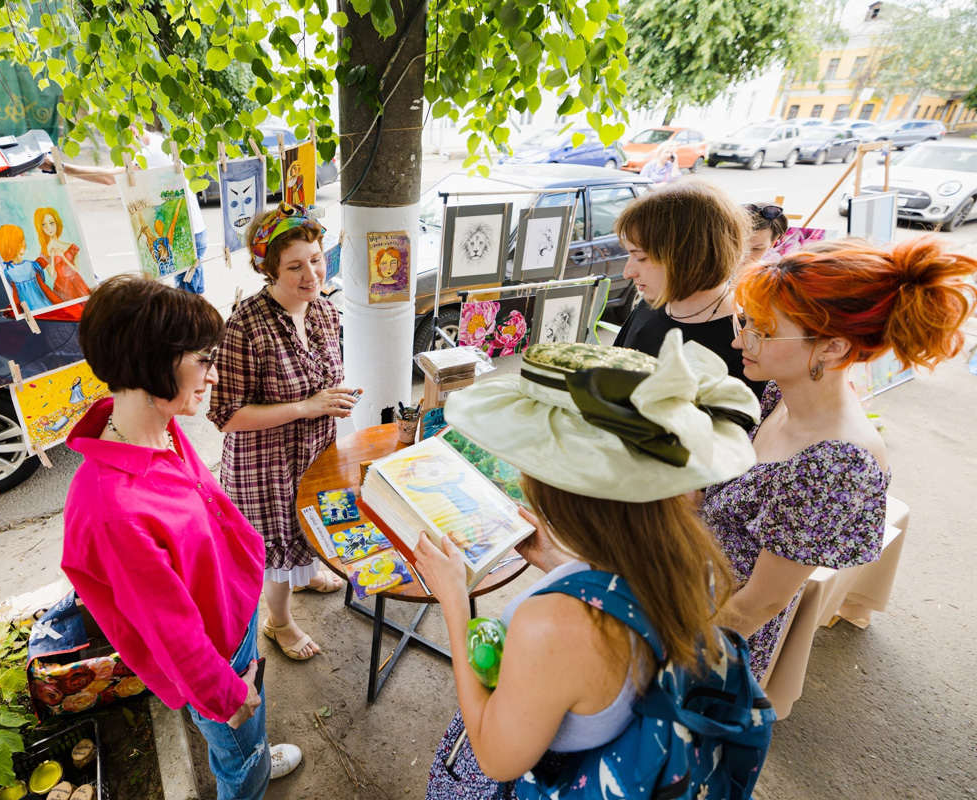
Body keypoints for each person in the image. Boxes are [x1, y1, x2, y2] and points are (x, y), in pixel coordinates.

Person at [414, 332, 762, 797]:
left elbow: (496, 759)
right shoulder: (687, 560)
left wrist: (455, 603)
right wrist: (561, 563)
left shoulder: (552, 627)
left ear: (567, 490)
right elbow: (625, 602)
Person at [61, 276, 303, 799]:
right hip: (214, 658)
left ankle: (252, 750)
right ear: (155, 363)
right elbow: (168, 628)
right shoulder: (114, 510)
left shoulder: (159, 429)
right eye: (203, 360)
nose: (213, 376)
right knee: (240, 765)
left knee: (245, 741)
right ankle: (249, 767)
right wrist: (224, 694)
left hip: (233, 622)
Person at [702, 236, 977, 680]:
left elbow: (759, 604)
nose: (741, 342)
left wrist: (667, 651)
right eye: (744, 322)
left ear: (832, 348)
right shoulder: (782, 395)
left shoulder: (837, 464)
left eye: (763, 331)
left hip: (711, 641)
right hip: (686, 600)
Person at [208, 202, 360, 662]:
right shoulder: (244, 326)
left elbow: (323, 377)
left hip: (315, 452)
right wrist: (307, 406)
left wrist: (333, 397)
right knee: (276, 550)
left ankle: (309, 574)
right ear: (268, 270)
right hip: (265, 465)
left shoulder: (325, 314)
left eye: (316, 258)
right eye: (294, 266)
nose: (311, 273)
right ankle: (279, 623)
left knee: (310, 531)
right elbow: (225, 415)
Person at [612, 179, 766, 399]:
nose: (628, 272)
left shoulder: (742, 341)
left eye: (641, 257)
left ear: (689, 257)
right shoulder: (650, 305)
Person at [47, 124, 207, 294]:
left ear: (132, 131)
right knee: (192, 293)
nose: (124, 154)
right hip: (195, 230)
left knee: (185, 301)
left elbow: (109, 178)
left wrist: (58, 167)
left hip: (187, 235)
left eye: (122, 143)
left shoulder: (149, 154)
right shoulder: (159, 142)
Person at [0, 224, 61, 312]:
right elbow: (42, 279)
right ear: (12, 245)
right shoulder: (31, 265)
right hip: (39, 308)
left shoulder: (7, 272)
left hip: (35, 310)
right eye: (21, 240)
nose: (24, 243)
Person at [34, 207, 92, 301]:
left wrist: (63, 257)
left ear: (57, 223)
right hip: (61, 285)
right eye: (44, 225)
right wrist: (52, 257)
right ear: (41, 228)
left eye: (51, 223)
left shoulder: (71, 247)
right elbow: (52, 274)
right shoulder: (45, 252)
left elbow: (77, 269)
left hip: (77, 282)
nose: (49, 228)